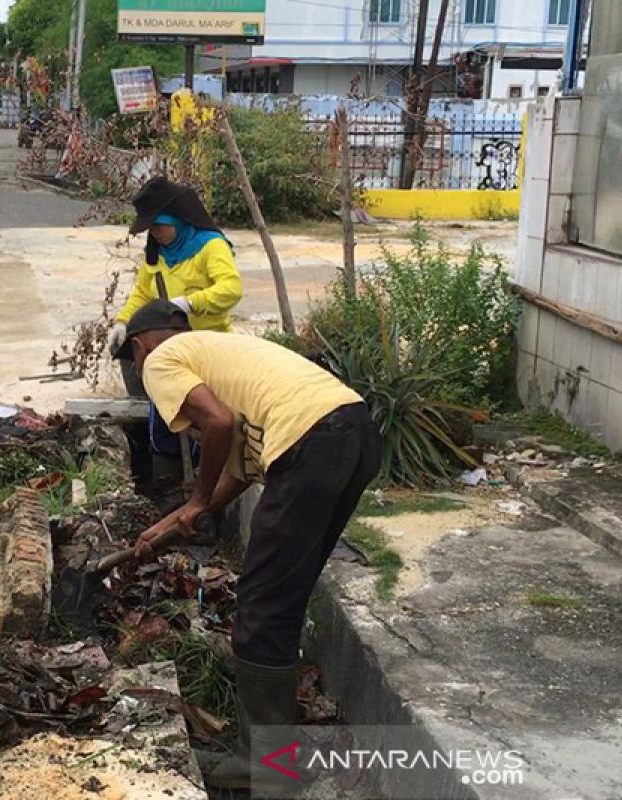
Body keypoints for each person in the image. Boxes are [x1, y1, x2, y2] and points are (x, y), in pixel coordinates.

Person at [115, 300, 382, 792]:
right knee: (281, 600)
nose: (140, 372)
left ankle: (269, 769)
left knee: (260, 611)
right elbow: (238, 469)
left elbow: (215, 424)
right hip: (354, 434)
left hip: (311, 441)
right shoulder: (221, 354)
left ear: (138, 346)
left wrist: (195, 500)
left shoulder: (161, 358)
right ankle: (271, 756)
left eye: (134, 362)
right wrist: (174, 522)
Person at [108, 177, 243, 460]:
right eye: (151, 228)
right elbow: (143, 294)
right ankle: (166, 481)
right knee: (165, 415)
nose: (155, 233)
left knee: (204, 419)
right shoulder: (156, 254)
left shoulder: (211, 246)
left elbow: (231, 288)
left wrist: (191, 303)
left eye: (160, 225)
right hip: (171, 351)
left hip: (211, 349)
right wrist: (123, 322)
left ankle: (203, 477)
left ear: (178, 219)